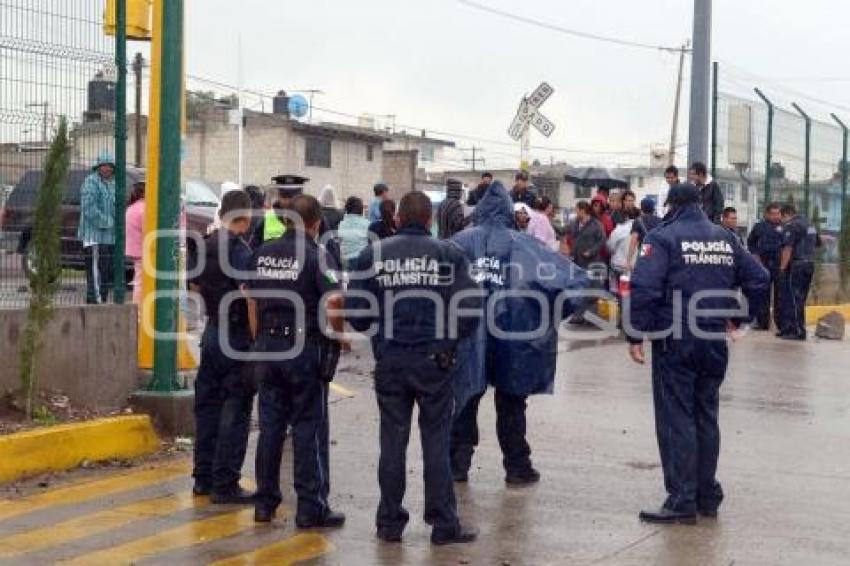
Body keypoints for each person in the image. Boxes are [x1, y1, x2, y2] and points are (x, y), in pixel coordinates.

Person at [626, 183, 768, 525]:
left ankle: (682, 500)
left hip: (675, 339)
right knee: (706, 415)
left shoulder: (662, 237)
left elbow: (644, 287)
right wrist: (740, 317)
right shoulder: (726, 237)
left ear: (671, 206)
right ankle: (707, 495)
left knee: (677, 417)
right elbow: (760, 278)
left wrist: (634, 333)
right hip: (712, 339)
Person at [347, 191, 482, 545]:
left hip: (391, 360)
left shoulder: (372, 255)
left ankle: (389, 523)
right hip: (433, 363)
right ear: (429, 220)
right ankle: (442, 524)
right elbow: (471, 308)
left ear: (396, 219)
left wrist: (380, 332)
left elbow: (357, 316)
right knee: (436, 442)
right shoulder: (449, 254)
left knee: (392, 442)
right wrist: (448, 342)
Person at [449, 181, 589, 487]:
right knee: (511, 402)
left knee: (466, 396)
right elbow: (576, 284)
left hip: (468, 335)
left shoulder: (458, 243)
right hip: (514, 337)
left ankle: (457, 463)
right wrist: (551, 316)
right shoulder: (529, 246)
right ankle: (517, 465)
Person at [245, 194, 347, 527]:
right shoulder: (317, 254)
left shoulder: (261, 253)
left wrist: (259, 337)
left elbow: (251, 298)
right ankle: (309, 508)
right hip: (302, 348)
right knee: (307, 426)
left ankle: (264, 504)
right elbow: (333, 301)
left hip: (267, 347)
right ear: (316, 224)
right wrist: (340, 335)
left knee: (271, 427)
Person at [188, 190, 256, 504]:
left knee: (207, 407)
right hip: (236, 336)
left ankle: (202, 477)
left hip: (212, 330)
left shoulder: (205, 243)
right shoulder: (241, 250)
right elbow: (250, 296)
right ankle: (225, 483)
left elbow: (194, 285)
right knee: (235, 409)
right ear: (245, 215)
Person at [78, 152, 116, 304]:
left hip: (108, 236)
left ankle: (102, 300)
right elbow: (88, 208)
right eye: (104, 165)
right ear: (98, 167)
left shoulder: (112, 183)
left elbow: (114, 207)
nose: (107, 169)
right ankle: (95, 302)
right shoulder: (90, 182)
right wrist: (107, 221)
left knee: (106, 270)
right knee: (95, 271)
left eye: (110, 166)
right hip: (93, 236)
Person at [776, 203, 818, 340]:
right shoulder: (809, 224)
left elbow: (787, 249)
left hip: (797, 265)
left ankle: (797, 331)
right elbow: (817, 242)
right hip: (809, 264)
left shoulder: (792, 225)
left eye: (781, 218)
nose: (781, 222)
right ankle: (793, 329)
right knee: (800, 299)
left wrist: (782, 268)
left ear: (786, 215)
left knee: (794, 299)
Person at [746, 203, 785, 330]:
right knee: (763, 295)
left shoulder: (786, 226)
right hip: (764, 264)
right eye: (773, 214)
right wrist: (755, 255)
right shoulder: (759, 227)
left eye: (778, 213)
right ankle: (762, 323)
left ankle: (780, 324)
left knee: (780, 296)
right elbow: (751, 242)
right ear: (767, 214)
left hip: (780, 266)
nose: (776, 216)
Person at [250, 174, 306, 246]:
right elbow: (254, 250)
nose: (289, 201)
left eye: (293, 197)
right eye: (285, 196)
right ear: (278, 195)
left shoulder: (311, 217)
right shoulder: (266, 219)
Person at [125, 175, 146, 305]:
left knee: (139, 279)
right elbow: (147, 230)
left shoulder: (131, 207)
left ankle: (138, 307)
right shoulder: (144, 209)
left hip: (134, 249)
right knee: (141, 281)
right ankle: (138, 309)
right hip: (143, 249)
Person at [607, 207, 637, 293]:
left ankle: (619, 303)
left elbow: (610, 247)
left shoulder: (618, 230)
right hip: (634, 265)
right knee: (628, 291)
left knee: (616, 290)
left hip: (619, 265)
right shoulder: (638, 226)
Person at [570, 200, 606, 270]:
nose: (575, 213)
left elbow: (602, 240)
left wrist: (591, 252)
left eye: (576, 210)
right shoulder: (575, 222)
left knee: (588, 279)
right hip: (576, 260)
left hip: (590, 261)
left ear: (582, 211)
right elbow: (563, 230)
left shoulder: (596, 224)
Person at [338, 196, 371, 270]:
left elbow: (340, 242)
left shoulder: (342, 224)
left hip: (345, 260)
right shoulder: (367, 223)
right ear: (361, 209)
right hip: (362, 259)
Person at [628, 197, 661, 267]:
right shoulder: (660, 221)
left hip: (645, 249)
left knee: (644, 269)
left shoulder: (638, 221)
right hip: (658, 251)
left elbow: (633, 242)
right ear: (653, 209)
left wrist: (628, 260)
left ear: (641, 208)